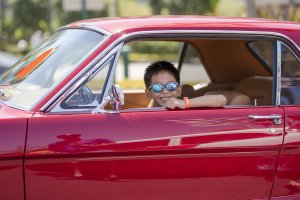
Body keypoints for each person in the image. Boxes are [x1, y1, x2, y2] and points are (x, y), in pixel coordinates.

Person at [144, 61, 227, 109]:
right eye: (158, 87)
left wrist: (185, 103)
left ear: (178, 91)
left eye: (171, 86)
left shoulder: (183, 106)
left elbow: (222, 99)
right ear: (148, 93)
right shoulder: (145, 116)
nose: (165, 91)